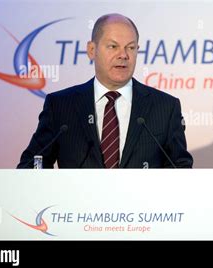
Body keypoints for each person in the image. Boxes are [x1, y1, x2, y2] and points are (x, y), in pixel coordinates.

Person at [17, 13, 193, 168]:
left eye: (131, 48)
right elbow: (32, 164)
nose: (123, 55)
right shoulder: (60, 106)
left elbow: (180, 168)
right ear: (92, 50)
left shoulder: (165, 107)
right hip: (77, 205)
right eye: (113, 46)